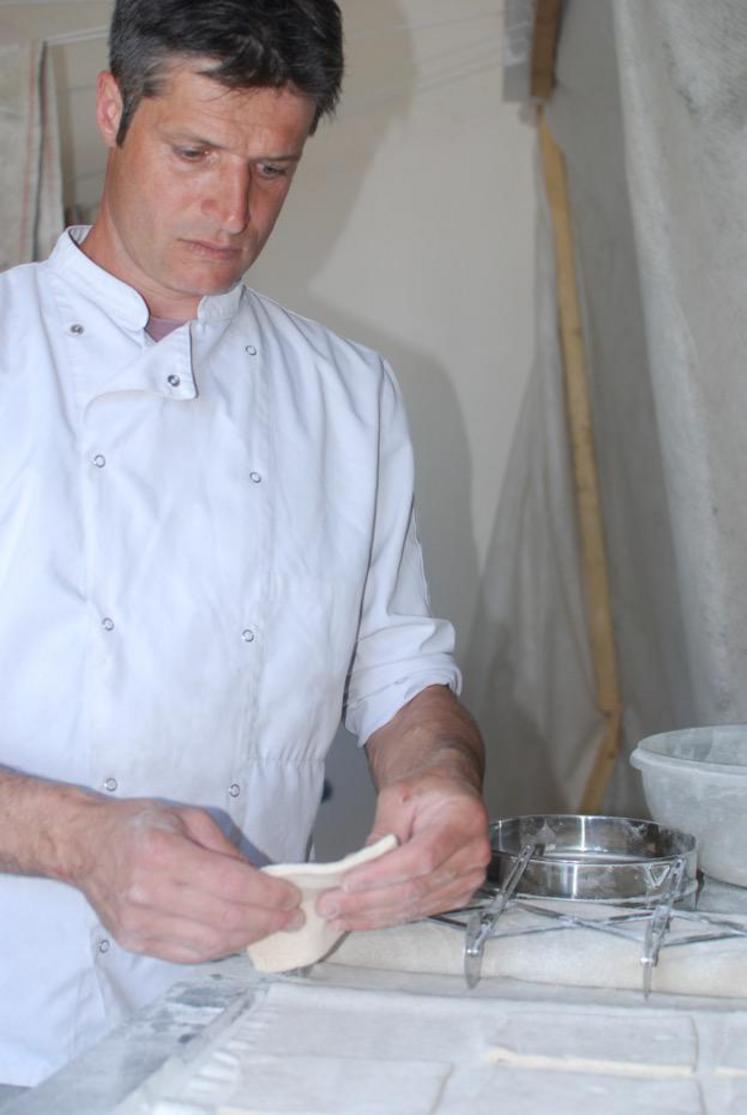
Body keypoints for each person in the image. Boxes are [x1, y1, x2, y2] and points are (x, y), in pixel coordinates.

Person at [0, 0, 490, 1088]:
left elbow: (401, 668)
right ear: (112, 106)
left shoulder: (348, 395)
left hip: (246, 1026)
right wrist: (80, 840)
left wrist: (441, 777)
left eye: (274, 168)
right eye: (194, 153)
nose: (232, 210)